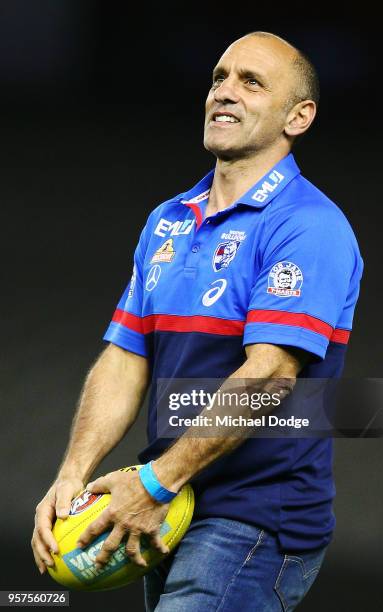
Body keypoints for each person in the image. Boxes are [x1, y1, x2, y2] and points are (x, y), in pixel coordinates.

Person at [32, 31, 364, 611]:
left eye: (251, 82)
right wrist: (72, 476)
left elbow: (269, 377)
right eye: (219, 78)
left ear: (299, 116)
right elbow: (124, 358)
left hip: (254, 517)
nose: (225, 92)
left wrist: (156, 482)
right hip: (171, 506)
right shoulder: (168, 220)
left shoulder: (309, 226)